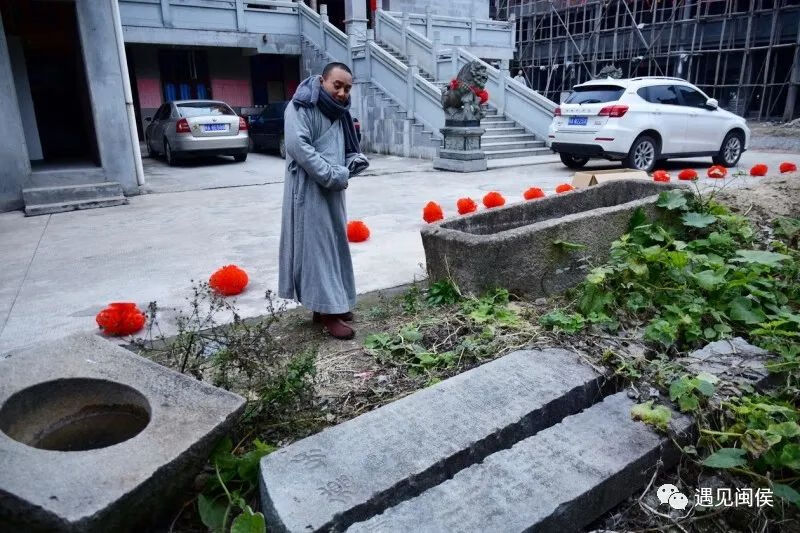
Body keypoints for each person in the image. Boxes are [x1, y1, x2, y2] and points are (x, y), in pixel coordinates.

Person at [278, 62, 369, 340]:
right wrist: (333, 174)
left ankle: (329, 305)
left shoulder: (340, 112)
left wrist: (353, 162)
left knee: (333, 245)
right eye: (337, 85)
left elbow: (347, 148)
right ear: (322, 81)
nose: (342, 93)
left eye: (347, 88)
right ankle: (328, 313)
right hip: (309, 191)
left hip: (334, 191)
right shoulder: (300, 107)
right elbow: (299, 148)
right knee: (317, 249)